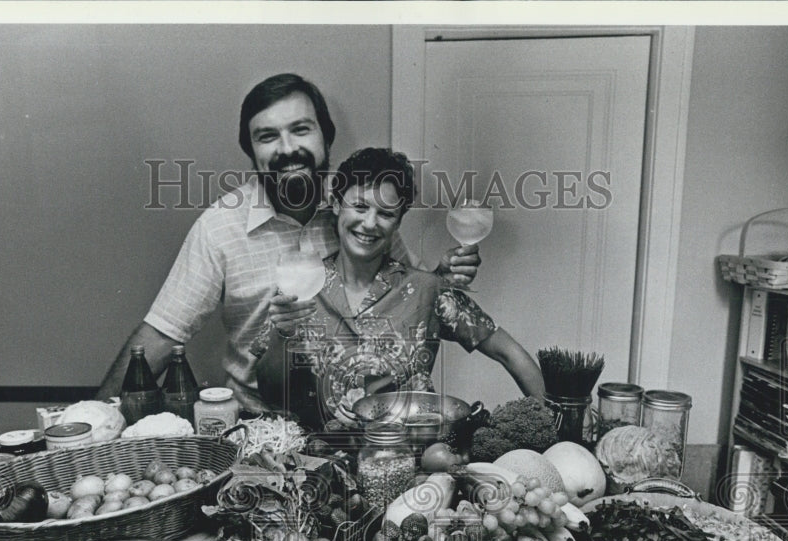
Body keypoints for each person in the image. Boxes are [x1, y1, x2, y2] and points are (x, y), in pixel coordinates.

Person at [96, 73, 481, 411]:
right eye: (267, 136)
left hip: (355, 420)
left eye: (300, 129)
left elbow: (403, 298)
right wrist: (95, 416)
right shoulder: (220, 227)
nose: (286, 149)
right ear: (252, 152)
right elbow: (162, 334)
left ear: (325, 137)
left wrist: (438, 278)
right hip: (257, 425)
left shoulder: (359, 212)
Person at [252, 147, 545, 431]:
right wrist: (282, 333)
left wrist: (558, 431)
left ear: (399, 221)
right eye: (360, 206)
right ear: (338, 205)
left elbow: (510, 354)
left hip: (413, 463)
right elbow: (270, 393)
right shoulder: (301, 287)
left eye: (386, 213)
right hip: (321, 467)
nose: (369, 224)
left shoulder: (427, 289)